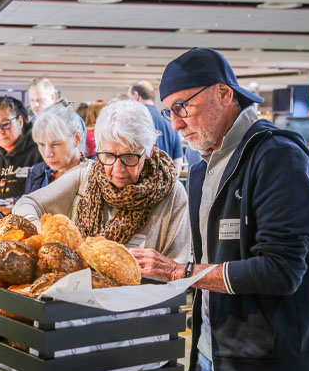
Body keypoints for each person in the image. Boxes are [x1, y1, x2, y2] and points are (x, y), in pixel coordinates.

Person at [130, 47, 309, 371]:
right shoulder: (202, 166)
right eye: (168, 112)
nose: (175, 124)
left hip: (266, 369)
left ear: (225, 94)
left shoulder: (277, 156)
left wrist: (180, 272)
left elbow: (281, 270)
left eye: (183, 107)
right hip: (211, 358)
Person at [13, 99, 190, 262]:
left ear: (149, 150)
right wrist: (38, 227)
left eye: (129, 157)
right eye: (108, 155)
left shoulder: (172, 194)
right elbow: (26, 203)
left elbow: (176, 270)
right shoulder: (86, 175)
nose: (118, 169)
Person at [0, 96, 42, 217]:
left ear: (20, 121)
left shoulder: (41, 152)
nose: (0, 132)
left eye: (5, 124)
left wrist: (17, 204)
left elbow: (49, 197)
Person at [24, 102, 87, 195]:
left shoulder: (95, 173)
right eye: (41, 144)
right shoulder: (36, 173)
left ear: (76, 138)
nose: (47, 154)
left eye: (55, 144)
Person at [129, 80, 183, 175]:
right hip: (164, 182)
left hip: (141, 183)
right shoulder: (169, 121)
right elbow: (178, 160)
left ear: (136, 96)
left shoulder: (131, 120)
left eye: (130, 98)